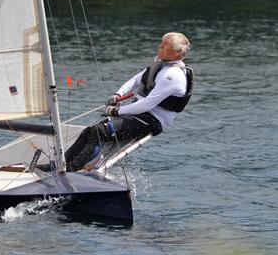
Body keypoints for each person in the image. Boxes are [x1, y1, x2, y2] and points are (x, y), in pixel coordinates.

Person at [64, 32, 194, 171]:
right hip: (138, 114)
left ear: (177, 52)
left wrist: (116, 110)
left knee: (100, 132)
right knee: (89, 131)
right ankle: (61, 164)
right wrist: (118, 94)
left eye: (165, 45)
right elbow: (136, 80)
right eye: (161, 43)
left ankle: (70, 170)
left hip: (152, 121)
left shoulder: (173, 75)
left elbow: (147, 104)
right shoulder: (160, 64)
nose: (160, 46)